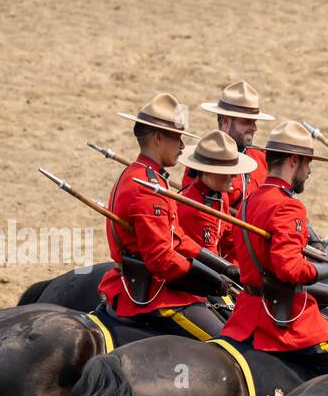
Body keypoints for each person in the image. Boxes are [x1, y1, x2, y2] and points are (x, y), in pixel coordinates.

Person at [221, 120, 328, 375]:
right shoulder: (288, 206)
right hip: (284, 320)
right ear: (293, 160)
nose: (309, 171)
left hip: (247, 313)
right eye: (307, 162)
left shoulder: (248, 202)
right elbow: (289, 269)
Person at [98, 93, 236, 340]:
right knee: (226, 343)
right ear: (159, 138)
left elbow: (178, 238)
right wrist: (207, 280)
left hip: (157, 284)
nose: (182, 147)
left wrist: (222, 268)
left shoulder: (147, 176)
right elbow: (161, 258)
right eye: (178, 139)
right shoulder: (145, 187)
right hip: (154, 294)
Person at [184, 80, 275, 215]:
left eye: (254, 122)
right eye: (247, 122)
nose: (254, 128)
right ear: (226, 121)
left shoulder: (262, 159)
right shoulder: (202, 160)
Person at [176, 130, 257, 262]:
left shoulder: (220, 196)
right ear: (208, 173)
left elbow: (230, 238)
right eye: (227, 172)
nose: (234, 176)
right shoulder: (195, 208)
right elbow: (209, 259)